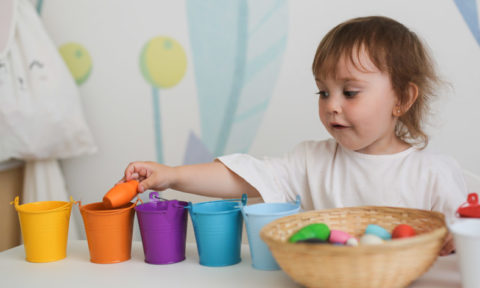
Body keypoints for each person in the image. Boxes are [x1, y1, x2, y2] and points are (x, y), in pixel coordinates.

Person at [121, 16, 467, 255]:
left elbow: (466, 239)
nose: (332, 105)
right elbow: (242, 176)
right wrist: (172, 175)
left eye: (349, 93)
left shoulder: (434, 173)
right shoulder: (311, 160)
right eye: (323, 92)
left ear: (402, 99)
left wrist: (456, 239)